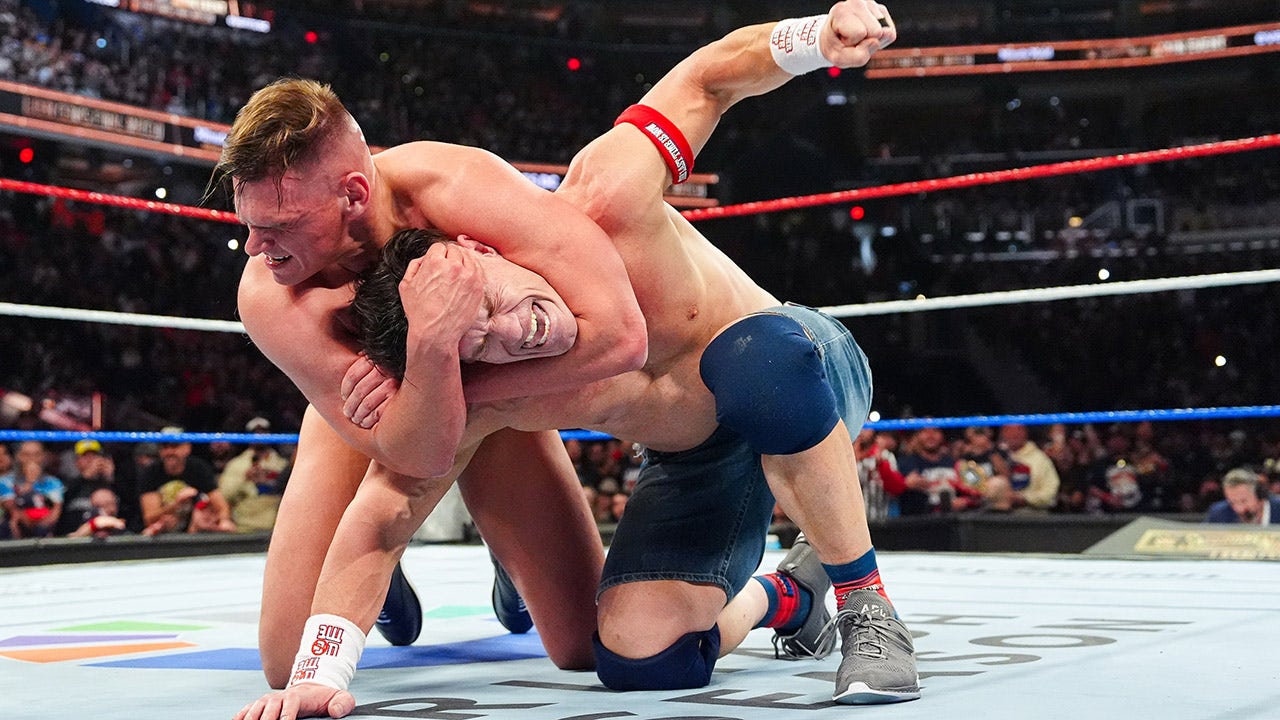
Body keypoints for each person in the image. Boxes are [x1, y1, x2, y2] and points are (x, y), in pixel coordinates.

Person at [239, 5, 910, 718]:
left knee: (753, 357)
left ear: (480, 248)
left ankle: (868, 610)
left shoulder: (606, 197)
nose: (513, 334)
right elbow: (382, 515)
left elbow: (706, 79)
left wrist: (817, 37)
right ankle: (786, 595)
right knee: (635, 657)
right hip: (696, 458)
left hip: (804, 370)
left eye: (490, 306)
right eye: (480, 345)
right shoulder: (483, 388)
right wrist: (321, 672)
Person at [218, 63, 646, 685]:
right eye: (249, 222)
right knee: (288, 660)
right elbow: (413, 450)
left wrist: (436, 362)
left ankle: (512, 558)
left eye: (279, 225)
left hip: (499, 401)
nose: (257, 248)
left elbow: (619, 332)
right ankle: (384, 574)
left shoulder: (458, 187)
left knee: (588, 644)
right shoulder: (270, 296)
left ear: (353, 194)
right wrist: (426, 362)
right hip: (370, 420)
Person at [138, 427, 235, 534]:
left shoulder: (199, 468)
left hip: (195, 531)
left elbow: (221, 506)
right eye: (165, 447)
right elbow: (149, 518)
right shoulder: (151, 473)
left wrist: (224, 521)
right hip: (163, 534)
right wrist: (175, 505)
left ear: (187, 448)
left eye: (175, 446)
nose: (169, 452)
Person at [218, 417, 291, 531]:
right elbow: (225, 495)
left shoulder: (282, 465)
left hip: (275, 527)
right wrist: (244, 478)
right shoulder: (236, 465)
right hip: (244, 528)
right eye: (255, 432)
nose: (259, 436)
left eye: (263, 432)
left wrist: (270, 481)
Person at [56, 439, 141, 535]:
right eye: (85, 456)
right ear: (77, 462)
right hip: (76, 536)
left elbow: (132, 507)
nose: (90, 460)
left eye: (94, 455)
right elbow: (61, 508)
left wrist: (113, 478)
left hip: (114, 535)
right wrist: (84, 478)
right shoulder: (68, 482)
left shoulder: (115, 483)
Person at [0, 441, 65, 539]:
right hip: (15, 529)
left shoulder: (53, 482)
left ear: (43, 457)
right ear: (19, 456)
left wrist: (41, 525)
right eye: (27, 455)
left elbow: (56, 512)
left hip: (44, 528)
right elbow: (12, 509)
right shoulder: (5, 481)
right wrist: (30, 482)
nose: (32, 459)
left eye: (36, 455)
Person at [1205, 468, 1279, 525]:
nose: (1239, 509)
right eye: (1232, 502)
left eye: (1243, 501)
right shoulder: (1219, 514)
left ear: (1260, 495)